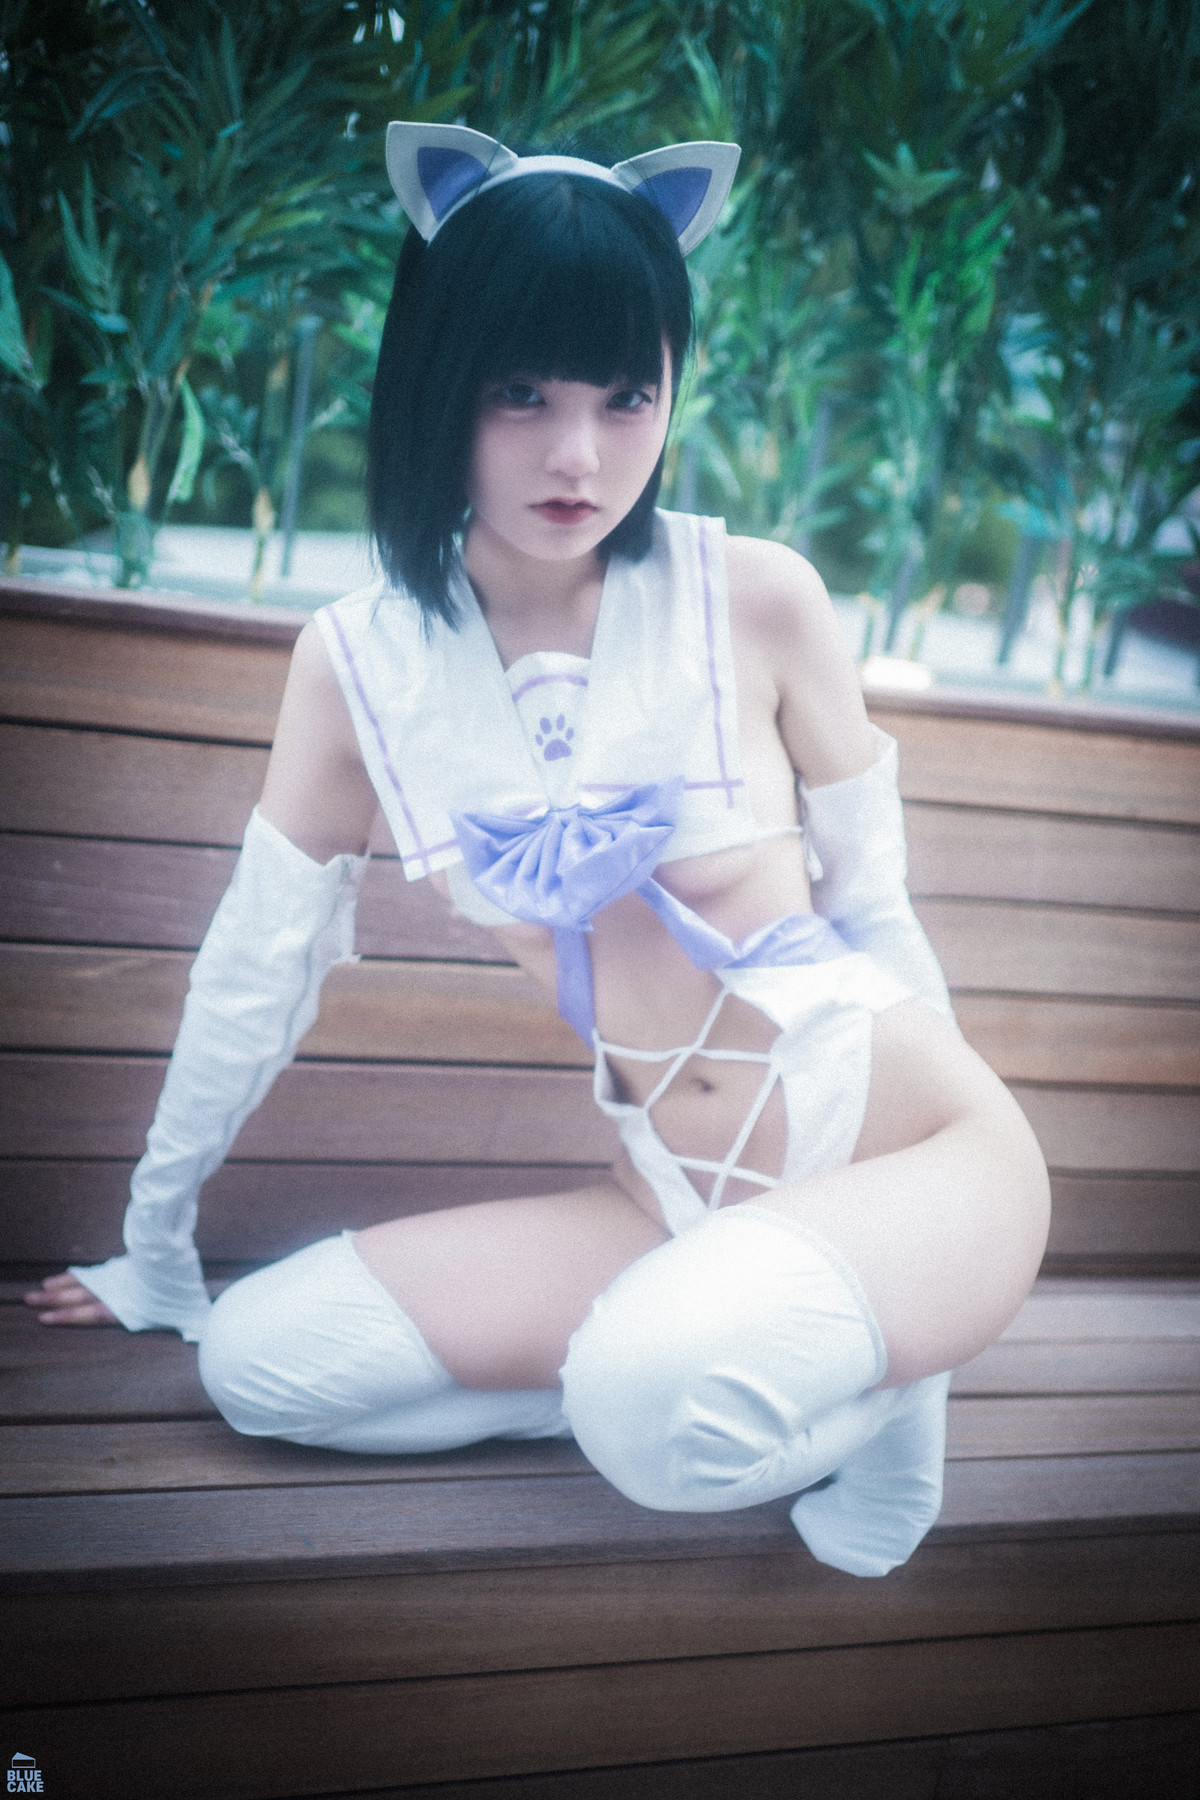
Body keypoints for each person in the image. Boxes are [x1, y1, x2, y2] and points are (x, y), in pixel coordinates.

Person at [26, 125, 1050, 1577]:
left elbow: (877, 910)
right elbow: (256, 970)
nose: (580, 455)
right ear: (438, 380)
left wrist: (913, 1252)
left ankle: (883, 1382)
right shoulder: (362, 666)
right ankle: (699, 1350)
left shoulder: (759, 599)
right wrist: (157, 1243)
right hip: (668, 1194)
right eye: (522, 394)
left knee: (651, 1418)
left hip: (917, 1152)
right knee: (259, 1367)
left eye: (627, 396)